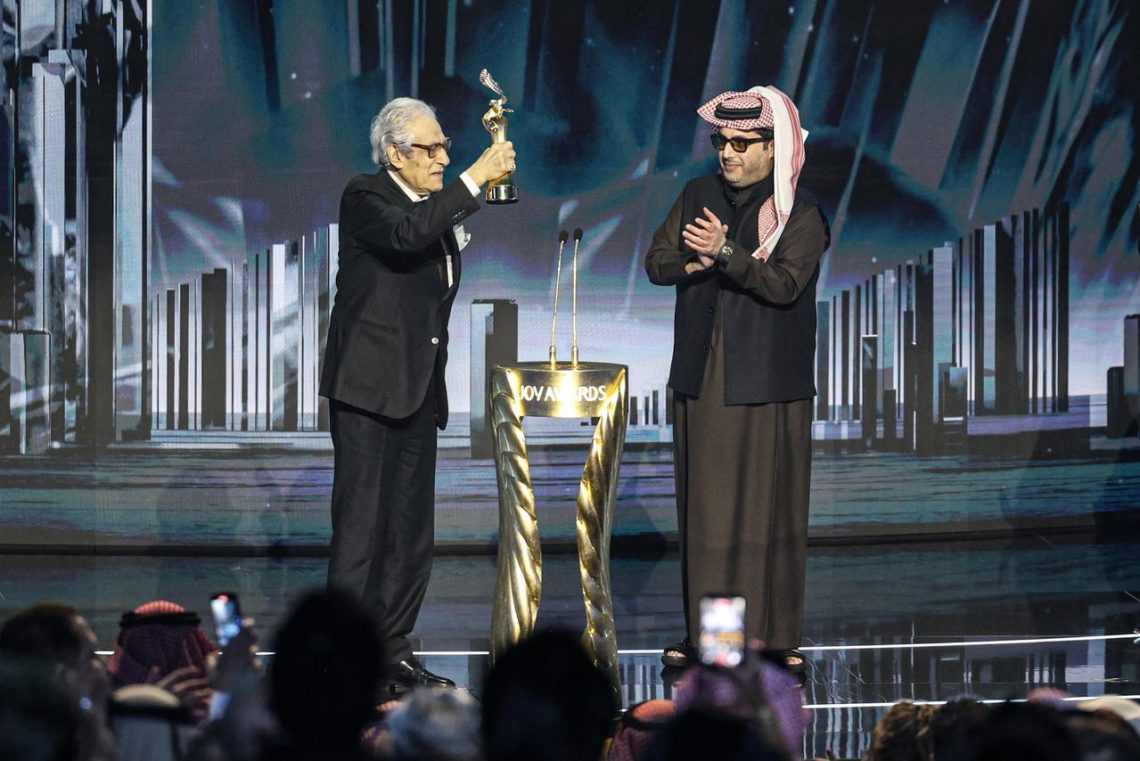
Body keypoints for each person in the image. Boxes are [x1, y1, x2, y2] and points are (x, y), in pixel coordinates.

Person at [319, 96, 516, 692]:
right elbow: (406, 236)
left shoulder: (431, 211)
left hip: (416, 391)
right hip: (367, 389)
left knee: (410, 536)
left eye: (445, 147)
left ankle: (391, 650)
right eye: (430, 149)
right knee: (361, 534)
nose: (443, 158)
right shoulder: (366, 196)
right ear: (394, 154)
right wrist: (475, 177)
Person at [645, 86, 830, 670]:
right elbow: (656, 262)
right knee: (710, 521)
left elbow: (785, 285)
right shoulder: (698, 195)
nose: (727, 152)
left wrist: (726, 253)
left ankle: (771, 640)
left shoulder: (800, 212)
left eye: (742, 143)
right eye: (721, 141)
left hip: (768, 383)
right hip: (705, 376)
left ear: (774, 148)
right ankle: (715, 639)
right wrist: (695, 260)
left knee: (764, 521)